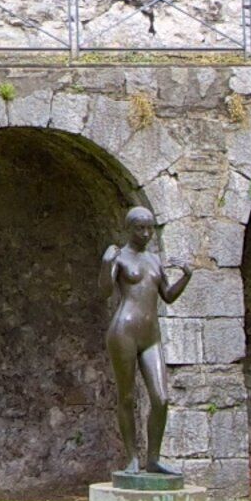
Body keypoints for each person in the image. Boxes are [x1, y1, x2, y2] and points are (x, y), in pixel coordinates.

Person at [102, 204, 192, 483]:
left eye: (149, 228)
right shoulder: (120, 256)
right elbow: (104, 291)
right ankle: (132, 458)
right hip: (123, 331)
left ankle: (153, 458)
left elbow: (167, 295)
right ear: (129, 229)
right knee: (127, 396)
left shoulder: (154, 260)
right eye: (140, 228)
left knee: (161, 398)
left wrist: (186, 276)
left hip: (151, 335)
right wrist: (106, 264)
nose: (146, 233)